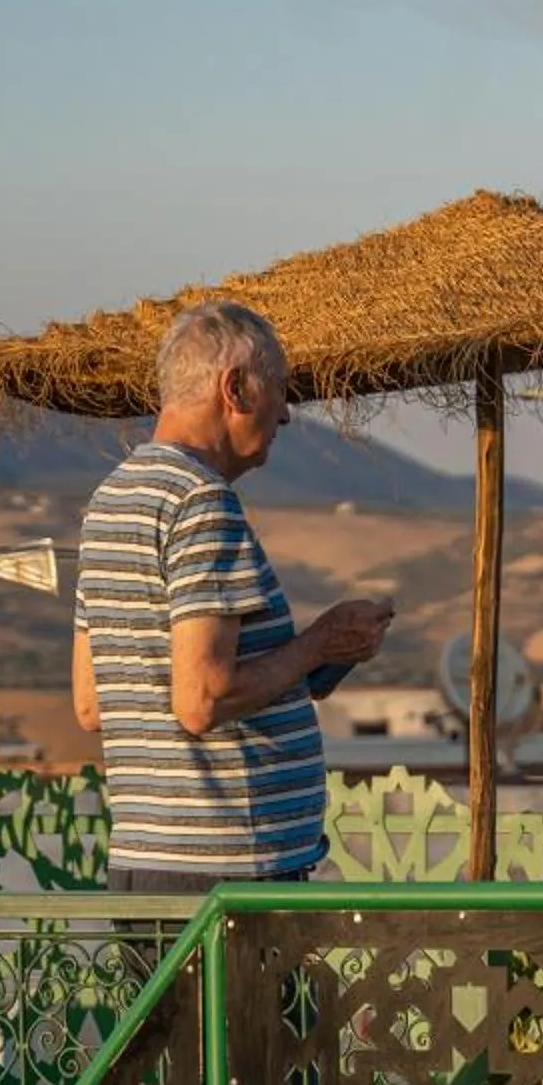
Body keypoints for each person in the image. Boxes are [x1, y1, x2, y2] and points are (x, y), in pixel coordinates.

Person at [69, 300, 395, 893]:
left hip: (146, 862)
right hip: (229, 875)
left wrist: (324, 657)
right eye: (281, 390)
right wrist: (317, 642)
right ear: (236, 388)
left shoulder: (110, 501)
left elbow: (93, 703)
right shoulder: (200, 501)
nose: (288, 415)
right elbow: (202, 699)